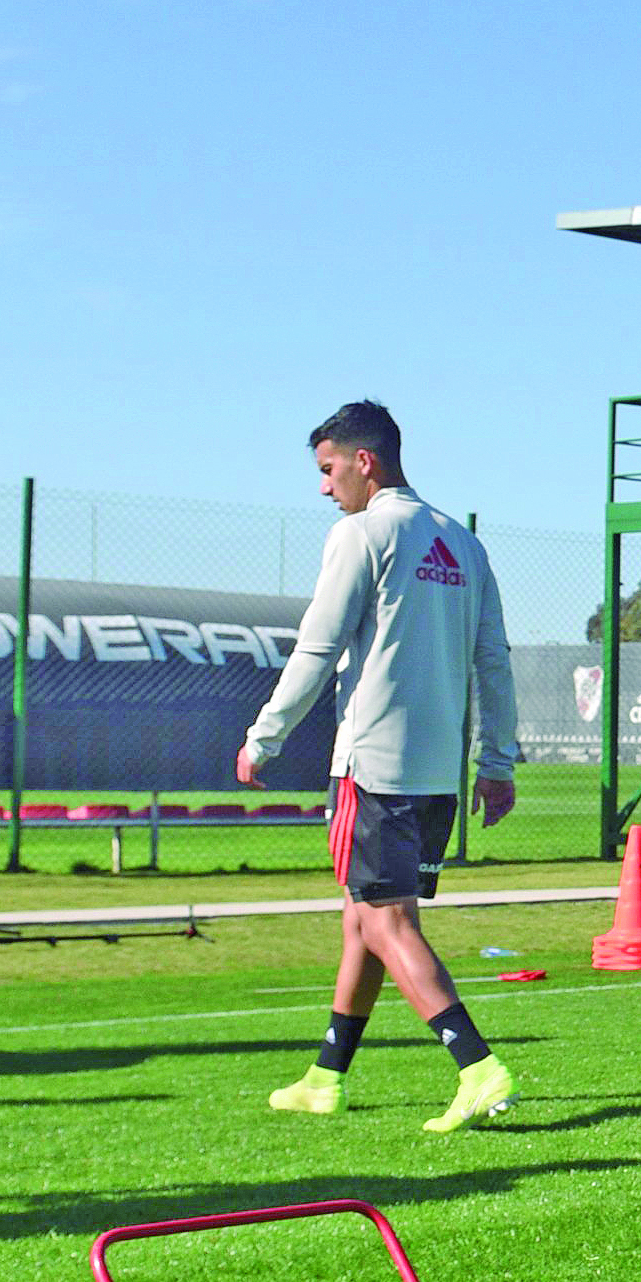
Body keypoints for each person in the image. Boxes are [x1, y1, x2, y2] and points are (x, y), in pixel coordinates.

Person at [242, 401, 523, 1135]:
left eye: (329, 470)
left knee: (386, 919)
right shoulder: (463, 543)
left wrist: (263, 738)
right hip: (436, 776)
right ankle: (325, 1076)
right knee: (360, 921)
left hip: (372, 767)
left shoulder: (361, 533)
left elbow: (316, 648)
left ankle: (477, 1068)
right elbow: (493, 660)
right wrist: (495, 762)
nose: (325, 487)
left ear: (364, 462)